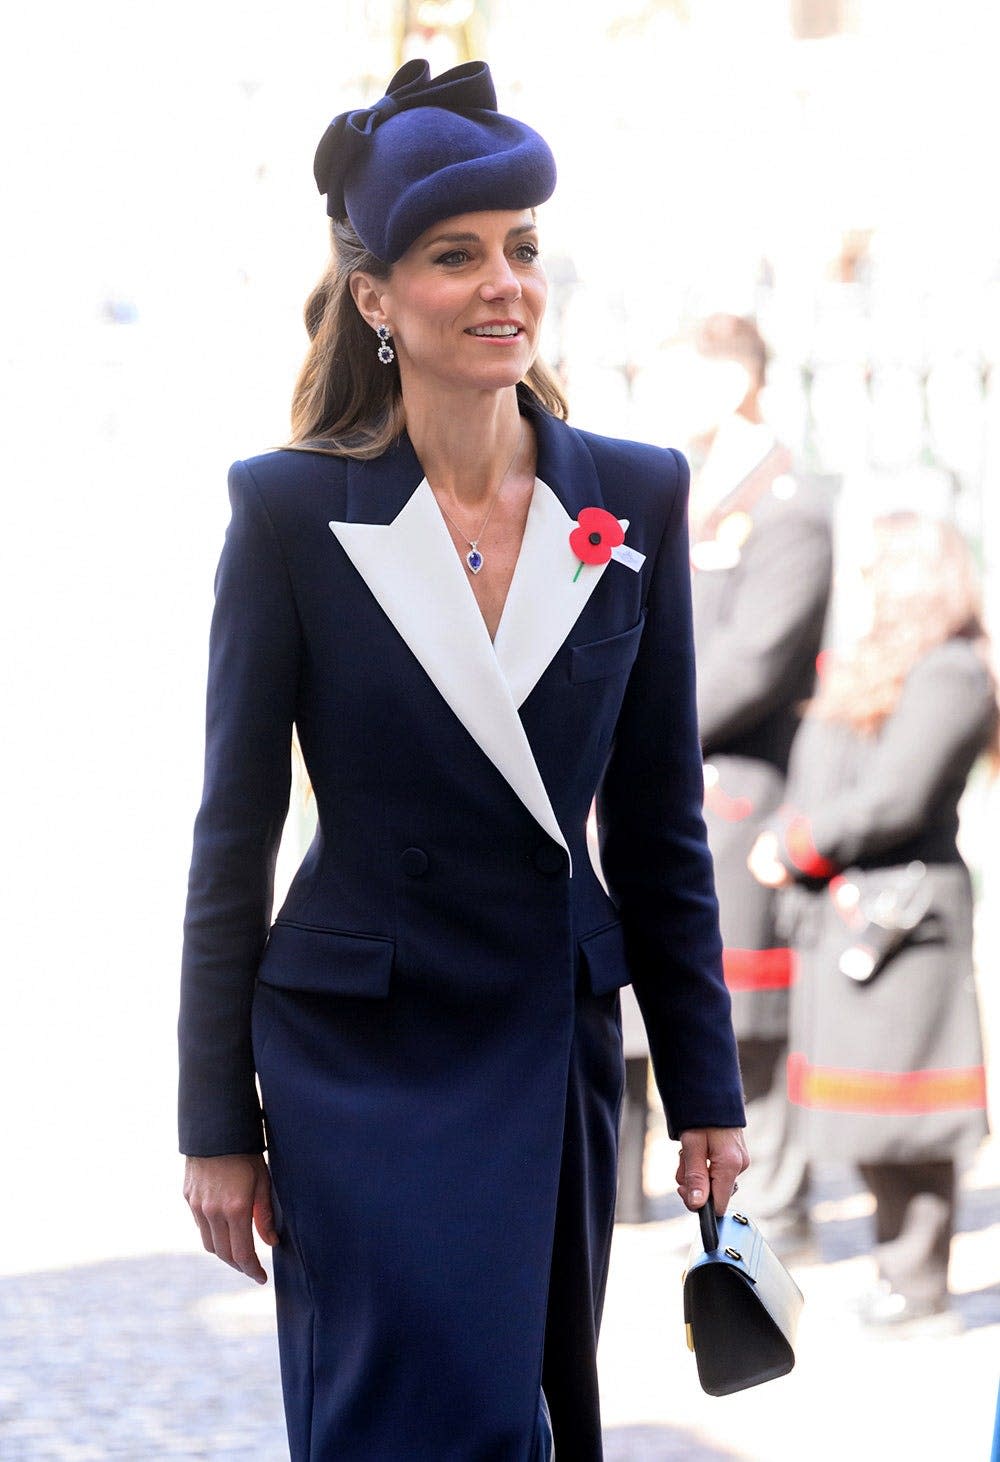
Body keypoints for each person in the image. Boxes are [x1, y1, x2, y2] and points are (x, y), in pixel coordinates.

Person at [178, 59, 748, 1462]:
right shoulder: (289, 511)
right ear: (375, 296)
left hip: (543, 1041)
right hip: (354, 1060)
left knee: (518, 1415)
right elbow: (231, 837)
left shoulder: (636, 497)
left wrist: (709, 1089)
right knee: (403, 1420)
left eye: (522, 250)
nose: (506, 284)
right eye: (456, 255)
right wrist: (214, 1122)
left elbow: (661, 828)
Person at [749, 511, 998, 1333]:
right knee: (867, 1113)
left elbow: (897, 797)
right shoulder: (873, 666)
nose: (868, 586)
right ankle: (898, 1275)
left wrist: (799, 844)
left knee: (912, 1116)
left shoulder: (954, 671)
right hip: (848, 913)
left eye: (883, 569)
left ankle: (918, 1286)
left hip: (902, 917)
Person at [683, 314, 833, 1247]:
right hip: (682, 790)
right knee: (704, 1005)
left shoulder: (787, 502)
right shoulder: (696, 486)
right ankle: (732, 1194)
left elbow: (759, 658)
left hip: (741, 786)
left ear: (735, 380)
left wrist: (647, 735)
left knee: (755, 1012)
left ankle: (779, 1200)